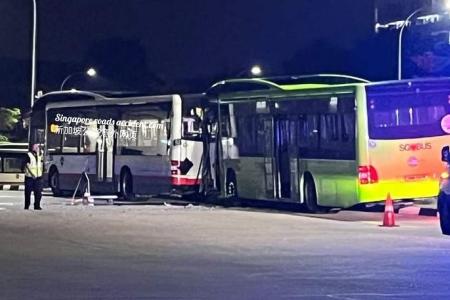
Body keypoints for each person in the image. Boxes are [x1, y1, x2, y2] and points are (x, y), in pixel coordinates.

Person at [23, 144, 43, 210]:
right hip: (29, 177)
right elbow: (26, 165)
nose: (38, 148)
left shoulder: (40, 155)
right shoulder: (28, 155)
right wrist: (32, 174)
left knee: (38, 193)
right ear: (32, 148)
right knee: (28, 193)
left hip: (38, 177)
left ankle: (37, 206)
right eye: (36, 147)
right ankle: (27, 206)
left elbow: (41, 164)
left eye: (38, 147)